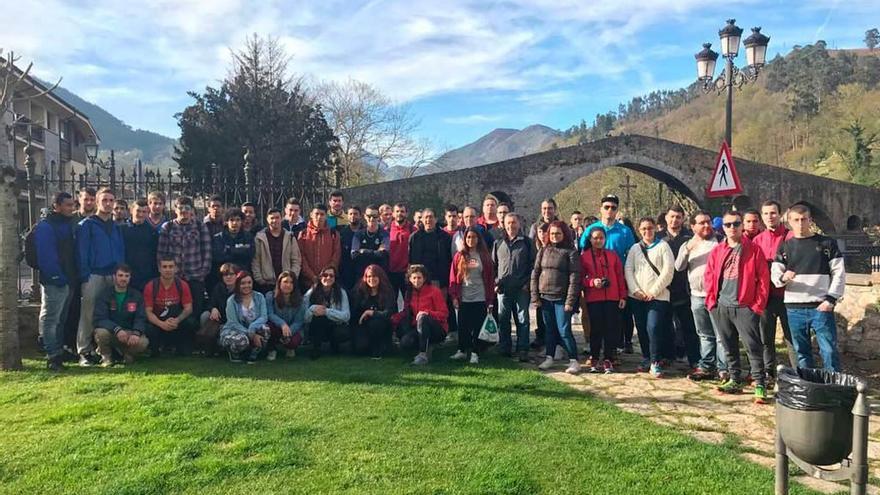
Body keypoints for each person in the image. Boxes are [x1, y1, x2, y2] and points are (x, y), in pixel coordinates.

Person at [705, 210, 770, 403]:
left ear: (742, 225)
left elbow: (763, 280)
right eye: (728, 225)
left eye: (736, 223)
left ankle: (759, 383)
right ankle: (735, 379)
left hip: (745, 306)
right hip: (722, 305)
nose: (732, 227)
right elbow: (709, 276)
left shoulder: (754, 249)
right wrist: (712, 303)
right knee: (728, 345)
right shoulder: (717, 250)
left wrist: (757, 306)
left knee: (753, 346)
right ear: (722, 228)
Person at [771, 204, 845, 372]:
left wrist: (831, 299)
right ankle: (808, 387)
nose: (800, 223)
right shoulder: (785, 247)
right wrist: (783, 278)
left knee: (829, 350)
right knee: (801, 352)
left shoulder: (827, 244)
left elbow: (839, 273)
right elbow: (775, 277)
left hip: (821, 306)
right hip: (794, 308)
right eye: (796, 220)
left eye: (804, 219)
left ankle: (833, 388)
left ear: (810, 220)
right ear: (789, 222)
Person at [76, 187, 126, 366]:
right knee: (88, 314)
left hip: (113, 274)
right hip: (93, 275)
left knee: (112, 312)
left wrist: (120, 273)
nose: (108, 204)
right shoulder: (87, 225)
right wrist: (85, 275)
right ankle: (84, 351)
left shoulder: (116, 227)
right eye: (104, 200)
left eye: (111, 200)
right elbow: (82, 252)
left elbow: (120, 251)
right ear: (97, 202)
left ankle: (107, 349)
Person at [582, 194, 637, 353]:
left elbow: (632, 254)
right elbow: (583, 253)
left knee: (616, 317)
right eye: (606, 207)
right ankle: (594, 349)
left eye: (613, 208)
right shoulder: (591, 230)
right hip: (595, 280)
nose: (609, 210)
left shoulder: (625, 231)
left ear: (616, 210)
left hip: (617, 276)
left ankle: (615, 349)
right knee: (596, 318)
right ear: (601, 209)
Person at [675, 211, 725, 382]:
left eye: (708, 222)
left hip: (717, 295)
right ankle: (707, 366)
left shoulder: (719, 242)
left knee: (720, 334)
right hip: (696, 296)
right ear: (693, 226)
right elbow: (679, 267)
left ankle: (723, 368)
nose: (706, 226)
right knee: (704, 334)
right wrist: (688, 249)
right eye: (702, 223)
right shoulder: (687, 244)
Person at [624, 217, 674, 378]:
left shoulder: (663, 246)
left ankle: (655, 361)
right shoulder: (634, 248)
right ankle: (646, 356)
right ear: (639, 230)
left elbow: (668, 271)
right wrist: (635, 290)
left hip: (658, 297)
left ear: (655, 229)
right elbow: (629, 270)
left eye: (650, 228)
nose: (647, 231)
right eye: (644, 228)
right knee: (642, 328)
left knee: (653, 327)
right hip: (637, 297)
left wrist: (654, 291)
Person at [753, 200, 797, 378]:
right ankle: (768, 373)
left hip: (788, 295)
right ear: (762, 216)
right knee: (766, 339)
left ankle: (798, 374)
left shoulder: (791, 237)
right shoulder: (757, 240)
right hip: (766, 297)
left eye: (773, 213)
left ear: (780, 215)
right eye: (765, 214)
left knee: (791, 338)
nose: (769, 217)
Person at [532, 221, 582, 374]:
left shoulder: (571, 252)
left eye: (558, 233)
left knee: (564, 330)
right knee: (549, 330)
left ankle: (574, 360)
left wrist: (570, 301)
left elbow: (575, 278)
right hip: (545, 296)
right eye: (552, 233)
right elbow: (535, 273)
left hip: (562, 298)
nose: (555, 236)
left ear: (564, 234)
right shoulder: (543, 250)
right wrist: (535, 296)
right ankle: (549, 357)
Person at [36, 192, 78, 371]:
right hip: (55, 281)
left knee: (60, 319)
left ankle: (58, 351)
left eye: (72, 205)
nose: (71, 208)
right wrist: (56, 277)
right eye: (67, 205)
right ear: (57, 206)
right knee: (51, 319)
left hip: (67, 279)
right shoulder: (46, 226)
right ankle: (52, 356)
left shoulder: (66, 225)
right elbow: (46, 257)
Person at [580, 226, 626, 373]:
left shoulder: (612, 255)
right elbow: (580, 278)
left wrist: (622, 295)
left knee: (611, 329)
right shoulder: (584, 256)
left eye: (601, 238)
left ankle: (608, 358)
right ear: (590, 239)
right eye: (595, 238)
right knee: (596, 329)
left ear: (605, 239)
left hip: (612, 297)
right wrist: (592, 282)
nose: (598, 240)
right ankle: (594, 356)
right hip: (594, 298)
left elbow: (619, 276)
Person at [157, 196, 212, 319]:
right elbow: (161, 253)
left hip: (195, 277)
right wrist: (165, 274)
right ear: (175, 210)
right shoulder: (168, 227)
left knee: (195, 312)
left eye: (187, 208)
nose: (184, 211)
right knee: (173, 312)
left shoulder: (200, 226)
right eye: (180, 208)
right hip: (173, 278)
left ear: (192, 210)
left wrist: (202, 273)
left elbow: (207, 251)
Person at [659, 205, 700, 369]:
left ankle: (694, 358)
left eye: (678, 217)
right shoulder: (658, 238)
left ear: (683, 219)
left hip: (685, 288)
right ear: (666, 218)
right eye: (672, 216)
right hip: (664, 287)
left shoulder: (690, 238)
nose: (674, 220)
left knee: (688, 326)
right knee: (665, 325)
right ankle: (667, 356)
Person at [448, 227, 495, 364]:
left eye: (474, 237)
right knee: (463, 325)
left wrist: (490, 299)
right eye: (468, 237)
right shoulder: (459, 256)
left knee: (477, 326)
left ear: (478, 239)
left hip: (480, 297)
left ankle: (475, 352)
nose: (471, 240)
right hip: (464, 297)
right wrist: (454, 296)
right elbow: (453, 278)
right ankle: (461, 350)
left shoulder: (484, 257)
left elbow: (490, 279)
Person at [492, 213, 534, 361]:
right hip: (503, 289)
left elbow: (532, 265)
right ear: (503, 224)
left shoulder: (527, 243)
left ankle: (523, 349)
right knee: (503, 319)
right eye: (508, 223)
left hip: (521, 288)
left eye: (514, 223)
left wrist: (528, 283)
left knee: (523, 320)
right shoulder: (498, 243)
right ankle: (505, 347)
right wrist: (496, 282)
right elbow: (494, 266)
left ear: (519, 224)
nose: (511, 226)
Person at [92, 264, 149, 366]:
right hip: (112, 333)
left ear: (130, 278)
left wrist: (136, 333)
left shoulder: (136, 295)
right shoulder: (105, 294)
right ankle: (106, 357)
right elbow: (100, 318)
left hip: (129, 333)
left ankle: (128, 355)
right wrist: (116, 329)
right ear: (114, 277)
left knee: (143, 342)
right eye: (120, 275)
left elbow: (141, 317)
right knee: (100, 333)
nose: (123, 279)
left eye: (126, 276)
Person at [392, 264, 448, 365]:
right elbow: (405, 312)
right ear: (409, 279)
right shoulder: (408, 293)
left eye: (419, 278)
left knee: (423, 318)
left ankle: (423, 354)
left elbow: (444, 314)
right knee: (405, 343)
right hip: (418, 328)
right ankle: (427, 347)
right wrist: (392, 319)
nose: (416, 281)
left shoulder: (434, 291)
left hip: (437, 328)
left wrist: (427, 313)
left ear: (425, 278)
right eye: (414, 278)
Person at [143, 256, 195, 356]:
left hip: (175, 322)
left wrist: (177, 320)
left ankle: (181, 348)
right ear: (159, 269)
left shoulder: (182, 285)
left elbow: (189, 308)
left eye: (171, 267)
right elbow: (148, 312)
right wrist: (161, 324)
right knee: (147, 327)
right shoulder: (151, 286)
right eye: (165, 267)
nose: (168, 270)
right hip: (158, 323)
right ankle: (154, 349)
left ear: (176, 268)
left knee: (191, 322)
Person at [220, 271, 269, 364]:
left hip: (253, 328)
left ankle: (253, 354)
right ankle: (234, 353)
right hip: (234, 330)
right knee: (242, 340)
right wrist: (251, 334)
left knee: (265, 329)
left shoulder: (259, 297)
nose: (247, 286)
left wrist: (252, 328)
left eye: (249, 283)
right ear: (238, 284)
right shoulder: (231, 300)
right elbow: (233, 322)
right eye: (243, 283)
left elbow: (264, 317)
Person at [350, 264, 396, 358]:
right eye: (369, 276)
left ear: (380, 277)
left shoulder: (388, 291)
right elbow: (354, 312)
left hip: (381, 325)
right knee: (360, 349)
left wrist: (371, 313)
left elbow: (389, 313)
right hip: (363, 324)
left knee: (375, 323)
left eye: (374, 276)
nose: (371, 279)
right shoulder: (359, 290)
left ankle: (378, 350)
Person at [304, 266, 351, 358]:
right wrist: (313, 309)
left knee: (341, 332)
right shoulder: (311, 292)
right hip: (316, 326)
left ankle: (335, 345)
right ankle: (316, 349)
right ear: (320, 277)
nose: (328, 278)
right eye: (325, 275)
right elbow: (304, 316)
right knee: (319, 318)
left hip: (335, 326)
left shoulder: (341, 293)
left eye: (331, 276)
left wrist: (326, 312)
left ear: (335, 278)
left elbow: (346, 316)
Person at [253, 208, 302, 294]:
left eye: (277, 217)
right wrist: (259, 279)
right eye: (272, 218)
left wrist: (292, 277)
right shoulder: (260, 238)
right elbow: (256, 260)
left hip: (287, 283)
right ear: (267, 219)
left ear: (281, 218)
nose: (275, 220)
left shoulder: (289, 237)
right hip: (266, 284)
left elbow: (296, 259)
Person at [198, 262, 239, 355]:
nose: (228, 277)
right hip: (219, 320)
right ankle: (207, 346)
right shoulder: (218, 287)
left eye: (231, 274)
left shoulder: (241, 288)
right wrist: (213, 308)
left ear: (237, 275)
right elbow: (211, 303)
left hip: (235, 321)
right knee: (205, 316)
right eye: (225, 275)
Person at [297, 204, 341, 291]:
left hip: (328, 282)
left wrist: (325, 275)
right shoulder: (303, 234)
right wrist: (311, 276)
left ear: (326, 216)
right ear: (311, 215)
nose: (319, 217)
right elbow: (300, 257)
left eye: (322, 214)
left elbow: (336, 256)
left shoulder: (333, 234)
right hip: (307, 282)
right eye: (316, 214)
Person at [211, 208, 255, 291]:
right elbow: (218, 257)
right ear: (226, 222)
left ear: (242, 221)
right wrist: (239, 250)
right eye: (231, 220)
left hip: (243, 279)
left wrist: (229, 249)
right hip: (223, 281)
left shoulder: (248, 236)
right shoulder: (218, 238)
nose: (235, 223)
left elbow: (250, 254)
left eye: (238, 220)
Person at [265, 271, 305, 360]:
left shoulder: (301, 300)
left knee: (293, 341)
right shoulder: (270, 296)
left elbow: (299, 321)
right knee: (268, 327)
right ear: (279, 283)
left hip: (292, 328)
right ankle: (272, 350)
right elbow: (269, 314)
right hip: (276, 326)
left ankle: (290, 348)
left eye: (291, 282)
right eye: (285, 282)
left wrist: (288, 331)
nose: (288, 285)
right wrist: (282, 324)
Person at [409, 208, 453, 289]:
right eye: (426, 217)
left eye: (431, 217)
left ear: (436, 219)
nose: (428, 220)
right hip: (420, 280)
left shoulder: (445, 237)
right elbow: (410, 259)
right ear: (422, 219)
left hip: (439, 279)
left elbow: (449, 259)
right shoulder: (414, 237)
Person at [122, 199, 159, 291]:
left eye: (144, 212)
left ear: (148, 213)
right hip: (126, 275)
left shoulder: (152, 232)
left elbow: (155, 254)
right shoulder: (121, 229)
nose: (141, 214)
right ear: (131, 210)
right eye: (138, 211)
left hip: (146, 276)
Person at [351, 205, 390, 277]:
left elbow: (383, 254)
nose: (371, 219)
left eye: (374, 216)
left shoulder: (385, 234)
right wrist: (376, 252)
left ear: (379, 217)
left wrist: (364, 251)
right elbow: (354, 255)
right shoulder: (358, 234)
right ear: (365, 216)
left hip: (379, 276)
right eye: (369, 216)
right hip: (361, 275)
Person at [388, 203, 417, 300]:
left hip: (407, 272)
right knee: (391, 302)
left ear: (407, 214)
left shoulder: (413, 230)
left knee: (409, 301)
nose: (399, 214)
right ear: (393, 214)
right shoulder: (386, 229)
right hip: (390, 272)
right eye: (397, 211)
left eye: (402, 211)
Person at [338, 206, 364, 289]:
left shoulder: (366, 231)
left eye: (355, 214)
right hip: (346, 273)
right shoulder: (341, 233)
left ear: (360, 216)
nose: (353, 216)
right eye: (350, 214)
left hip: (362, 272)